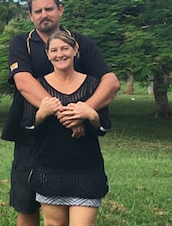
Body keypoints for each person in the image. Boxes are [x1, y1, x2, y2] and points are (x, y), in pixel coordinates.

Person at [1, 0, 119, 226]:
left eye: (49, 9)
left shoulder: (79, 42)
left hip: (74, 141)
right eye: (38, 11)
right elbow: (23, 82)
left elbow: (110, 81)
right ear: (31, 16)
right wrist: (64, 115)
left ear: (60, 10)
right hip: (31, 135)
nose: (44, 14)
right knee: (26, 205)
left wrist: (82, 113)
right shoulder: (21, 43)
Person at [24, 30, 110, 226]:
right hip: (50, 170)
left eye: (64, 48)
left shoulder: (93, 84)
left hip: (86, 170)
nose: (59, 54)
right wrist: (42, 113)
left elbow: (104, 126)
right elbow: (28, 126)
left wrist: (89, 114)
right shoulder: (39, 85)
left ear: (75, 50)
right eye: (54, 50)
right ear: (47, 54)